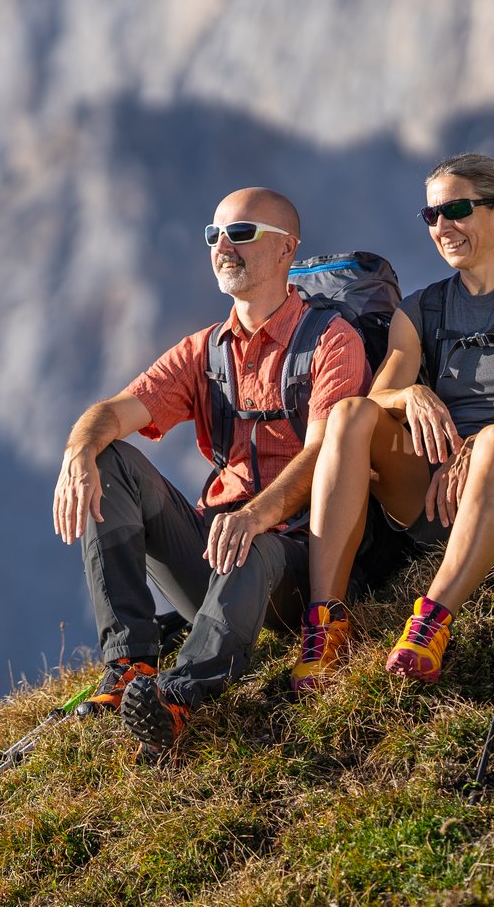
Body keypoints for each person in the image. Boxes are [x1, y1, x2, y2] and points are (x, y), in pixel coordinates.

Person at [52, 186, 369, 751]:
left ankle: (179, 697)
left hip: (293, 555)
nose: (223, 245)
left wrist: (254, 516)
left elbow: (326, 452)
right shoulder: (203, 351)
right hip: (214, 548)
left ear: (286, 251)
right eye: (214, 234)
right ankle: (130, 662)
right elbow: (115, 412)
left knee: (259, 544)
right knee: (110, 457)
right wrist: (79, 451)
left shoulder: (331, 340)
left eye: (242, 233)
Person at [289, 153, 494, 691]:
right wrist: (409, 394)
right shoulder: (420, 309)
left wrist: (481, 449)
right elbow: (379, 393)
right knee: (351, 413)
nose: (442, 227)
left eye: (456, 209)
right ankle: (326, 622)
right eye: (431, 216)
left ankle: (432, 621)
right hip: (440, 491)